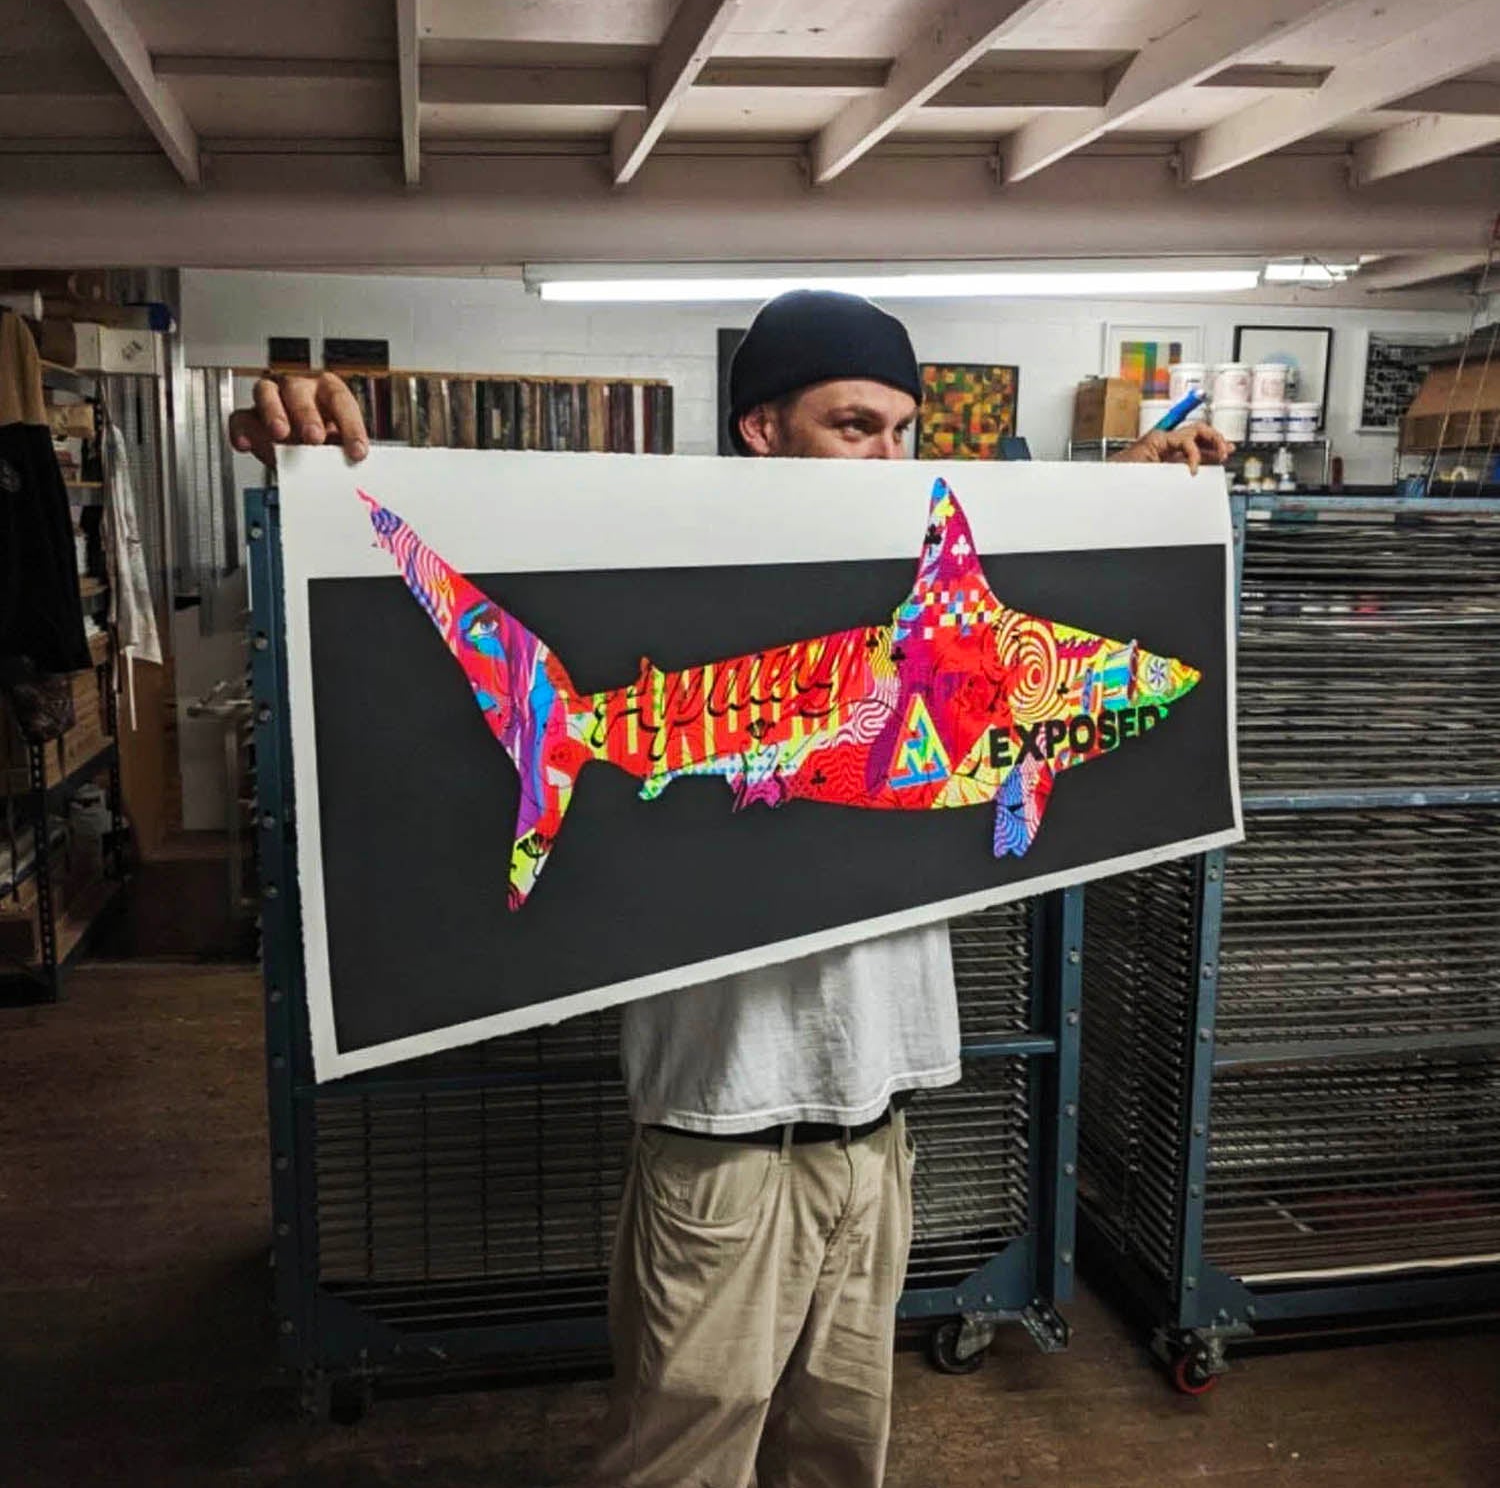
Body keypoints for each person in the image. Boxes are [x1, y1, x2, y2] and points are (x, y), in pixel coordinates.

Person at [231, 291, 1227, 1487]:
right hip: (722, 1136)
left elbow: (1038, 628)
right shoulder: (672, 566)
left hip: (879, 1131)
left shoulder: (946, 600)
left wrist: (1139, 498)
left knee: (842, 1455)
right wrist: (305, 451)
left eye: (903, 431)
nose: (888, 458)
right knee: (684, 1463)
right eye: (853, 425)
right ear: (760, 428)